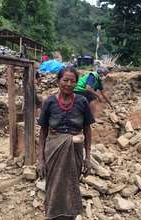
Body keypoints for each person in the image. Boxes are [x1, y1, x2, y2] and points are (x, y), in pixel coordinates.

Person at [38, 66, 95, 220]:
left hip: (74, 152)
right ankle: (53, 216)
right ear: (58, 81)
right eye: (65, 80)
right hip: (53, 150)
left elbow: (87, 130)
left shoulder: (82, 102)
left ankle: (69, 216)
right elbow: (43, 132)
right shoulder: (49, 102)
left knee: (71, 185)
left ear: (77, 83)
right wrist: (41, 160)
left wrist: (87, 158)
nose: (69, 84)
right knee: (53, 186)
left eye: (73, 81)